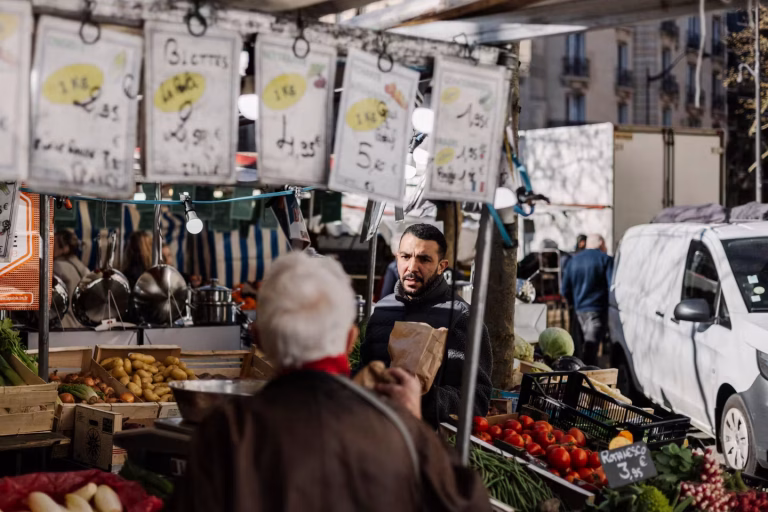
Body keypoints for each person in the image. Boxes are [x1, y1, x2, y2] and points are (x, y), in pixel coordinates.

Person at [173, 252, 490, 512]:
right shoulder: (400, 431)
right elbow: (469, 505)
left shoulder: (227, 432)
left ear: (259, 340)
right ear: (351, 340)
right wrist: (416, 425)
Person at [360, 224, 493, 428]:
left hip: (427, 442)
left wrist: (424, 398)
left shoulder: (462, 317)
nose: (412, 267)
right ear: (397, 257)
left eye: (424, 259)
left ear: (442, 266)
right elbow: (365, 369)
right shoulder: (383, 309)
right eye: (405, 257)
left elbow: (477, 399)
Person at [561, 234, 613, 366]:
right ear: (601, 243)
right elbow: (612, 286)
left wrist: (574, 304)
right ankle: (590, 382)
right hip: (597, 311)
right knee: (591, 351)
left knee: (578, 351)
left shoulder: (573, 261)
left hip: (579, 311)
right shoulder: (605, 260)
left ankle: (578, 380)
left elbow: (565, 289)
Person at [53, 231, 89, 328]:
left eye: (53, 244)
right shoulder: (81, 265)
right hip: (82, 325)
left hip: (65, 325)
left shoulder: (57, 267)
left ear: (64, 248)